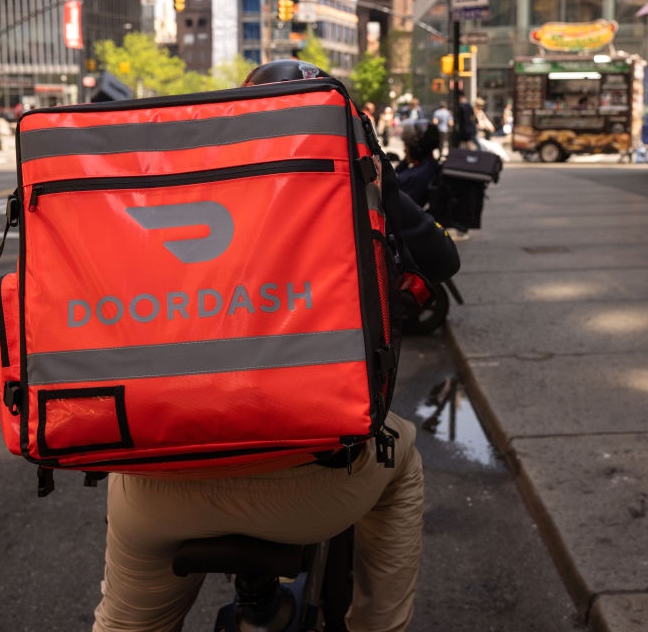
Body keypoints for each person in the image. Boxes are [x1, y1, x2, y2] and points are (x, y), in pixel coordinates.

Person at [92, 59, 461, 632]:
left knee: (124, 622)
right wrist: (375, 171)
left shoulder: (177, 177)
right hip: (317, 481)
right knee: (402, 459)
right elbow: (442, 261)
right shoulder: (347, 169)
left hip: (158, 484)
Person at [396, 118, 441, 207]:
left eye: (407, 146)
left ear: (416, 149)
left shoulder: (413, 176)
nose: (404, 150)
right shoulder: (429, 166)